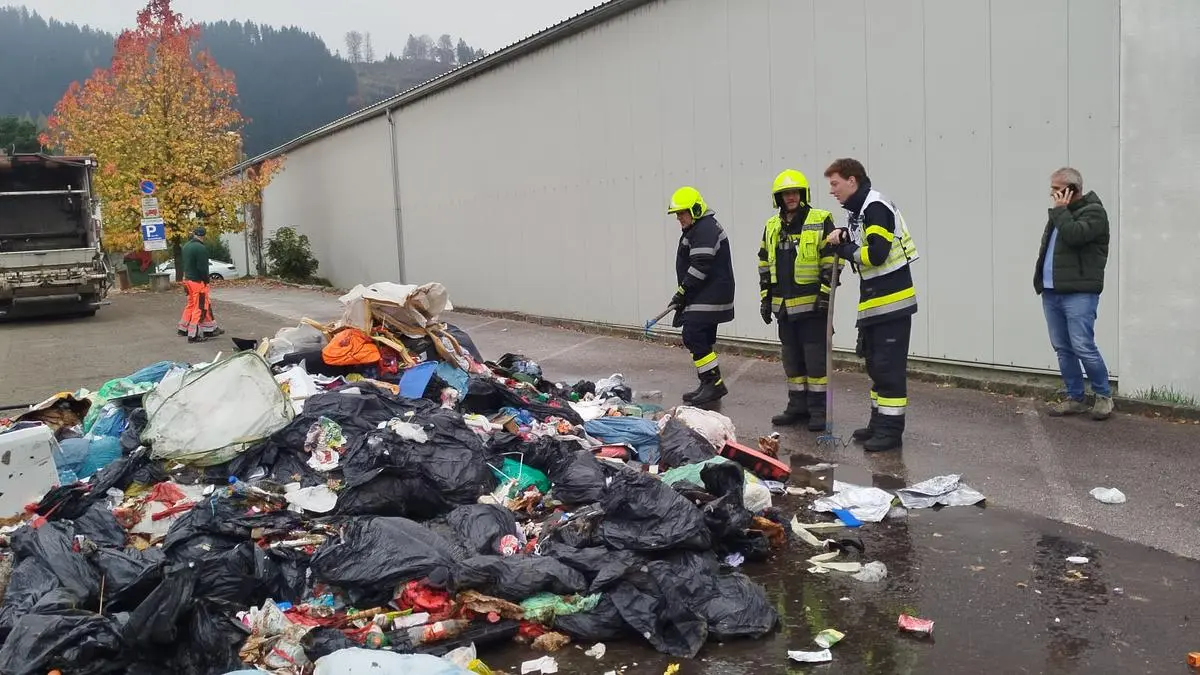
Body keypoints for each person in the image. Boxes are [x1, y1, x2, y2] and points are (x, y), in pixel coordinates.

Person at [823, 158, 919, 452]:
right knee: (876, 366)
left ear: (852, 181)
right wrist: (844, 234)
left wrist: (845, 248)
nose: (832, 191)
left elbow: (876, 253)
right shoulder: (861, 212)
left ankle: (890, 431)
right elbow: (860, 239)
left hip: (892, 304)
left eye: (835, 184)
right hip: (876, 304)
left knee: (888, 369)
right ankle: (879, 422)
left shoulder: (876, 207)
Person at [757, 169, 842, 431]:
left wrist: (826, 295)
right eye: (785, 194)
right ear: (778, 198)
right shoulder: (772, 226)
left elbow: (831, 260)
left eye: (794, 193)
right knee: (792, 359)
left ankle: (818, 409)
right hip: (783, 308)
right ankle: (797, 406)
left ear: (802, 194)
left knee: (815, 361)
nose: (790, 197)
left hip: (813, 308)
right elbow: (763, 262)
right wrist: (765, 298)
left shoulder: (820, 220)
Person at [1034, 167, 1113, 420]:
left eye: (1057, 189)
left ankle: (1103, 397)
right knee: (1062, 347)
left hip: (1079, 293)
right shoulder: (1062, 214)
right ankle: (1075, 397)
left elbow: (1075, 236)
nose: (1052, 194)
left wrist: (1060, 212)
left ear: (1072, 190)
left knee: (1083, 345)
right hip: (1051, 291)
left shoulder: (1094, 213)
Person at [666, 186, 735, 407]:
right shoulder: (700, 227)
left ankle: (713, 384)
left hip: (709, 295)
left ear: (695, 209)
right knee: (701, 339)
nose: (679, 218)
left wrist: (682, 292)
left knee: (693, 335)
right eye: (677, 214)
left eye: (682, 213)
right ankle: (708, 384)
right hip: (707, 294)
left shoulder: (704, 228)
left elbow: (701, 264)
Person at [177, 226, 219, 342]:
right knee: (199, 307)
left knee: (191, 304)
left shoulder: (186, 246)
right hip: (197, 282)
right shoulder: (201, 248)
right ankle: (193, 334)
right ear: (203, 236)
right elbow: (202, 268)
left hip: (188, 280)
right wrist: (206, 280)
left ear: (194, 234)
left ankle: (183, 328)